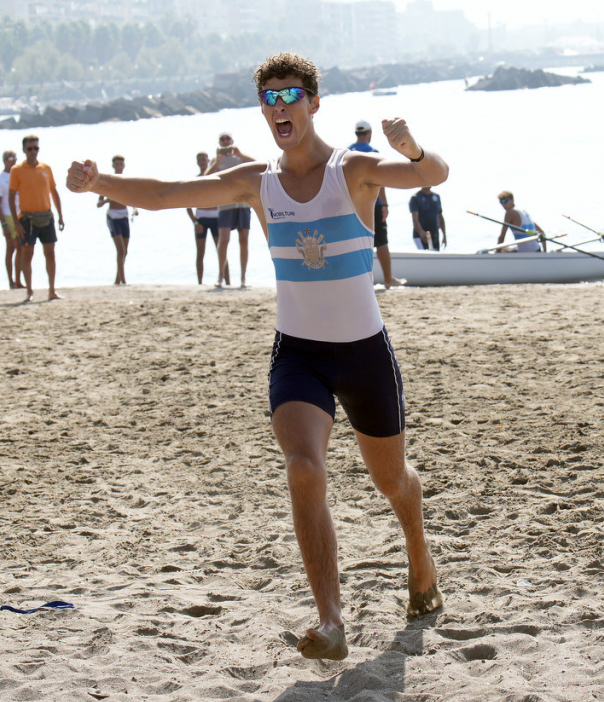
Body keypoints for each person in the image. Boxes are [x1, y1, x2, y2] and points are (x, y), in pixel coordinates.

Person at [66, 52, 447, 661]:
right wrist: (99, 184)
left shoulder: (354, 170)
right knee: (303, 467)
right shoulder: (257, 182)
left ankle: (420, 557)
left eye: (290, 95)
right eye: (269, 98)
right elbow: (165, 194)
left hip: (364, 354)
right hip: (299, 355)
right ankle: (330, 620)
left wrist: (412, 148)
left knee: (391, 480)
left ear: (313, 102)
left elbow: (434, 175)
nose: (279, 107)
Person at [349, 120, 405, 289]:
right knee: (381, 242)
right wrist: (385, 205)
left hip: (353, 204)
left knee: (356, 243)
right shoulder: (373, 153)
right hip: (373, 203)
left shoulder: (347, 152)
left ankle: (358, 282)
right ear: (369, 133)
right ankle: (388, 279)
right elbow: (380, 182)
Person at [9, 134, 65, 302]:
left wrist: (61, 215)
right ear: (24, 150)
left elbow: (54, 192)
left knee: (50, 253)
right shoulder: (17, 170)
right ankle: (29, 291)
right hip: (27, 219)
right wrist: (16, 223)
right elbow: (10, 197)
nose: (33, 151)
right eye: (30, 149)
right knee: (27, 254)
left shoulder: (46, 168)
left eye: (36, 148)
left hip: (46, 217)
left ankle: (52, 290)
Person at [206, 131, 254, 287]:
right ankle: (220, 276)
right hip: (225, 204)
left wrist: (241, 154)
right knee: (224, 240)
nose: (225, 141)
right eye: (222, 139)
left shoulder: (240, 158)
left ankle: (243, 278)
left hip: (243, 203)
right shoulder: (216, 160)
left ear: (232, 141)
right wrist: (217, 161)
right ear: (219, 143)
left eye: (228, 139)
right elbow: (206, 177)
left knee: (244, 240)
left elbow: (258, 165)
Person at [186, 152, 230, 286]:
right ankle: (200, 283)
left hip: (216, 217)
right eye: (199, 160)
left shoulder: (215, 179)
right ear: (197, 162)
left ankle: (227, 281)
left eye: (204, 159)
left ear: (208, 161)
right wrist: (195, 222)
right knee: (200, 252)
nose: (202, 162)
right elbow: (187, 204)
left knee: (221, 251)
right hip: (201, 218)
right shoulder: (195, 180)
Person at [96, 155, 138, 286]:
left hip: (124, 216)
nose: (119, 166)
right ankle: (123, 281)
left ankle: (117, 279)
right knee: (121, 250)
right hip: (113, 217)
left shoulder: (128, 182)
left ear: (124, 166)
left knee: (125, 251)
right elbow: (99, 203)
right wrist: (107, 200)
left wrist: (135, 209)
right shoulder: (108, 182)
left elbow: (133, 199)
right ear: (113, 166)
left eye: (121, 164)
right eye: (117, 164)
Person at [0, 149, 23, 289]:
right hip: (7, 215)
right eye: (10, 159)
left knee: (21, 247)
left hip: (20, 214)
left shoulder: (19, 175)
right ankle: (11, 281)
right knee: (11, 247)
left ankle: (18, 280)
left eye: (15, 159)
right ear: (4, 161)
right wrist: (4, 223)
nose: (13, 162)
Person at [409, 186, 446, 251]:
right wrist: (421, 232)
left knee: (435, 255)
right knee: (423, 255)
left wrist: (444, 235)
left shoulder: (436, 197)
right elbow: (415, 219)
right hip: (421, 235)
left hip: (434, 234)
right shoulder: (415, 198)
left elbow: (440, 216)